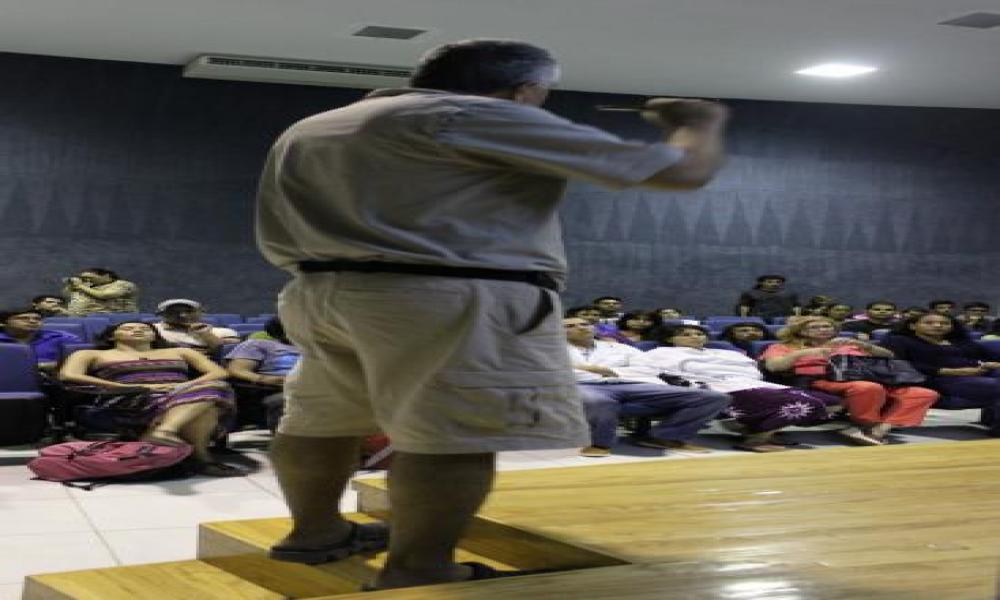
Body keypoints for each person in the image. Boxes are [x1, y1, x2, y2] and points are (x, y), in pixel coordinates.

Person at [255, 38, 729, 590]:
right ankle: (421, 568)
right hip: (447, 296)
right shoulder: (474, 115)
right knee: (452, 436)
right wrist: (699, 121)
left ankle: (314, 534)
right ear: (525, 90)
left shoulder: (319, 124)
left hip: (321, 291)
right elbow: (682, 171)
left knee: (322, 420)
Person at [58, 322, 242, 476]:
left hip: (182, 393)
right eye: (128, 328)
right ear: (112, 336)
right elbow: (69, 375)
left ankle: (164, 432)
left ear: (154, 336)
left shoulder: (181, 351)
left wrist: (183, 387)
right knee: (207, 400)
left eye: (145, 329)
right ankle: (202, 458)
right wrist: (129, 387)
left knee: (213, 389)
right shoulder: (90, 354)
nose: (137, 330)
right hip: (128, 396)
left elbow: (218, 372)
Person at [632, 325, 840, 452]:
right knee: (805, 403)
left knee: (833, 403)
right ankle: (755, 439)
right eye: (686, 334)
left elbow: (751, 369)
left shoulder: (726, 352)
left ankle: (758, 426)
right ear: (671, 339)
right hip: (715, 386)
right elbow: (658, 373)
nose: (695, 337)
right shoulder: (661, 352)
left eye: (699, 334)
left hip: (753, 382)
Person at [564, 318, 730, 456]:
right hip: (583, 385)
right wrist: (609, 373)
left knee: (712, 397)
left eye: (584, 324)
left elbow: (649, 368)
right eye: (570, 326)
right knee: (598, 401)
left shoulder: (620, 347)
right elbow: (556, 373)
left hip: (634, 384)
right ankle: (600, 444)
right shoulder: (551, 350)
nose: (580, 327)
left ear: (594, 328)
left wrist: (601, 370)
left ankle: (665, 437)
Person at [761, 317, 938, 445]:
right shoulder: (783, 346)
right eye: (816, 327)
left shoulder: (847, 343)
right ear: (800, 331)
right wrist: (802, 354)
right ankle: (865, 424)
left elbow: (889, 357)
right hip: (821, 380)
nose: (823, 329)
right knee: (867, 388)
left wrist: (865, 346)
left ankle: (881, 429)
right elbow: (774, 367)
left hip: (871, 377)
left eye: (827, 326)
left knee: (923, 393)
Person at [882, 313, 1000, 435]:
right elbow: (899, 364)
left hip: (979, 373)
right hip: (935, 378)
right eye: (929, 323)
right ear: (913, 326)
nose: (938, 325)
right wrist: (951, 371)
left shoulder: (962, 342)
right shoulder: (900, 341)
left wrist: (993, 364)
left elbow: (992, 357)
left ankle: (991, 420)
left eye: (944, 323)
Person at [225, 317, 301, 430]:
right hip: (275, 388)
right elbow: (237, 370)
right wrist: (266, 379)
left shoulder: (316, 348)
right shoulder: (258, 344)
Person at [0, 308, 81, 371]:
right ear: (3, 323)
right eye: (23, 318)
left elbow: (82, 361)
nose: (32, 321)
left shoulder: (61, 337)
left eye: (37, 319)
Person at [152, 299, 240, 354]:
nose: (183, 315)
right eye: (174, 312)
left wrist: (206, 335)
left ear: (201, 313)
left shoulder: (224, 332)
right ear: (161, 314)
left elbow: (228, 354)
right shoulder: (151, 330)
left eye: (189, 311)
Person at [62, 268, 139, 315]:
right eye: (83, 278)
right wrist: (71, 285)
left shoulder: (122, 284)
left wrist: (80, 286)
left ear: (106, 276)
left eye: (90, 277)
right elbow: (67, 295)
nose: (87, 280)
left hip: (114, 319)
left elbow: (104, 295)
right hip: (82, 318)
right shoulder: (88, 286)